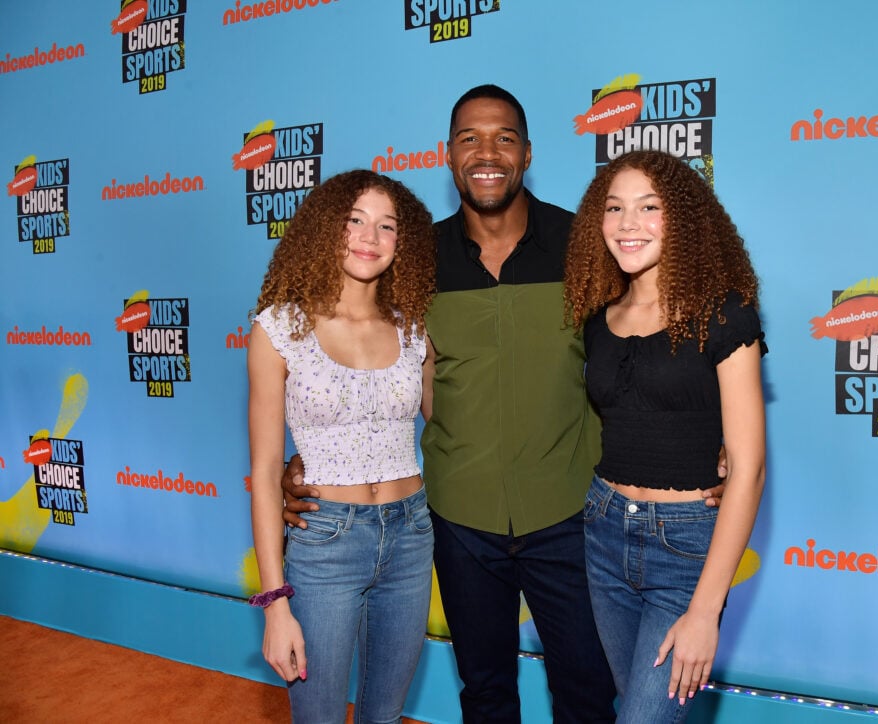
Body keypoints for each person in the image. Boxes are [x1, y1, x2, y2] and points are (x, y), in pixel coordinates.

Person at [282, 86, 725, 722]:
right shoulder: (413, 258)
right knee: (485, 692)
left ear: (527, 155)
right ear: (448, 155)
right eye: (470, 138)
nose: (487, 153)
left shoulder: (586, 244)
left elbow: (656, 341)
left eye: (504, 138)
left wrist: (708, 440)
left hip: (573, 516)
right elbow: (348, 356)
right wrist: (300, 463)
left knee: (586, 691)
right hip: (460, 520)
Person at [563, 149, 766, 722]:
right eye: (615, 208)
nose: (628, 224)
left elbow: (747, 468)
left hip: (687, 549)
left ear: (681, 219)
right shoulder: (598, 318)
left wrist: (705, 610)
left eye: (649, 207)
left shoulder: (724, 314)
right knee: (634, 706)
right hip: (604, 533)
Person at [247, 170, 436, 724]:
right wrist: (274, 603)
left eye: (387, 226)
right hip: (325, 542)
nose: (369, 237)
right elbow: (262, 473)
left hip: (411, 537)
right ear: (325, 228)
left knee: (385, 715)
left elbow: (454, 429)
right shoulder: (278, 328)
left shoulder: (413, 327)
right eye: (354, 220)